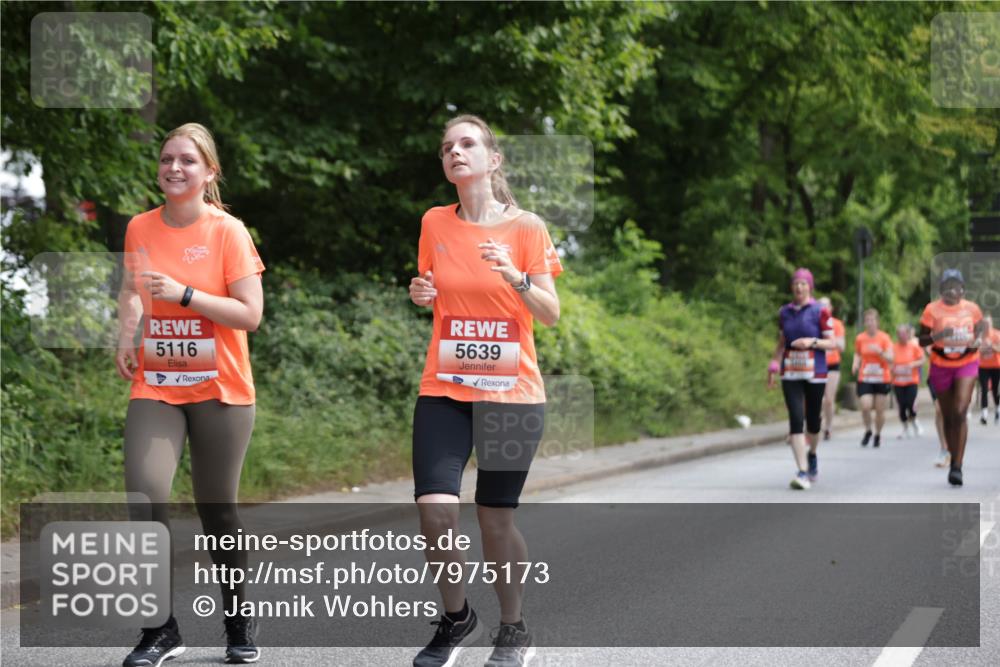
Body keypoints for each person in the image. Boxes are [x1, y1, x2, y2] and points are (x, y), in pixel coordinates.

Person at [408, 114, 562, 667]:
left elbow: (549, 312)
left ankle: (514, 626)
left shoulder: (526, 228)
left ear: (493, 160)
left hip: (512, 394)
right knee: (434, 511)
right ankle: (456, 618)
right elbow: (430, 289)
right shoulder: (433, 222)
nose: (455, 152)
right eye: (447, 146)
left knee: (494, 518)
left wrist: (516, 278)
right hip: (445, 387)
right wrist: (420, 292)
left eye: (467, 144)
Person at [116, 123, 265, 665]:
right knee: (145, 493)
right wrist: (126, 333)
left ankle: (237, 622)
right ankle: (159, 629)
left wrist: (185, 294)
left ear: (209, 172)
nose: (173, 168)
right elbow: (133, 291)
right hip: (156, 381)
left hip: (220, 387)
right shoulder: (140, 227)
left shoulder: (228, 232)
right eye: (165, 159)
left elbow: (250, 314)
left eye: (187, 161)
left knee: (217, 511)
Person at [917, 269, 987, 486]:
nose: (952, 290)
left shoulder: (972, 309)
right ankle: (951, 454)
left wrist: (978, 340)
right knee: (948, 417)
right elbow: (922, 341)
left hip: (967, 363)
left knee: (960, 411)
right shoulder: (932, 310)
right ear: (941, 289)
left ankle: (957, 466)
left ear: (963, 289)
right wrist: (940, 336)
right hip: (940, 365)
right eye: (948, 285)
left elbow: (981, 329)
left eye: (956, 286)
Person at [767, 268, 835, 490]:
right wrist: (774, 363)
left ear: (810, 287)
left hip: (815, 372)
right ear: (791, 287)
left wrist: (812, 342)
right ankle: (802, 471)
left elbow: (831, 343)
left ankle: (812, 453)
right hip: (791, 372)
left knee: (813, 422)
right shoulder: (784, 312)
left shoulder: (820, 311)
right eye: (796, 283)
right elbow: (782, 341)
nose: (799, 287)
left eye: (803, 284)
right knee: (796, 420)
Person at [818, 297, 846, 440]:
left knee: (829, 399)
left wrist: (830, 339)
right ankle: (818, 423)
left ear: (831, 308)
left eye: (825, 306)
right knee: (817, 398)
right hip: (817, 363)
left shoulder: (837, 324)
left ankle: (828, 427)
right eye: (820, 305)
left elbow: (842, 346)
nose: (823, 308)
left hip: (832, 364)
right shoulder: (814, 322)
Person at [891, 324, 925, 439]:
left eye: (904, 334)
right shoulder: (894, 347)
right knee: (901, 406)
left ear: (908, 334)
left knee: (910, 403)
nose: (902, 336)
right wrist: (892, 368)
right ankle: (905, 427)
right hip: (898, 381)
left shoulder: (914, 347)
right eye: (899, 334)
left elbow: (922, 360)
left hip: (911, 380)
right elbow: (889, 361)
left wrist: (912, 364)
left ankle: (915, 421)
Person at [977, 315, 1000, 425]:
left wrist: (992, 346)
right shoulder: (980, 336)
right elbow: (975, 349)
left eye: (988, 323)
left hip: (996, 366)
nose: (986, 325)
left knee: (995, 389)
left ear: (991, 323)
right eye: (984, 323)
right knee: (984, 389)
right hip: (983, 367)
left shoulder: (996, 334)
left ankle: (997, 409)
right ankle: (984, 414)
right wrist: (981, 349)